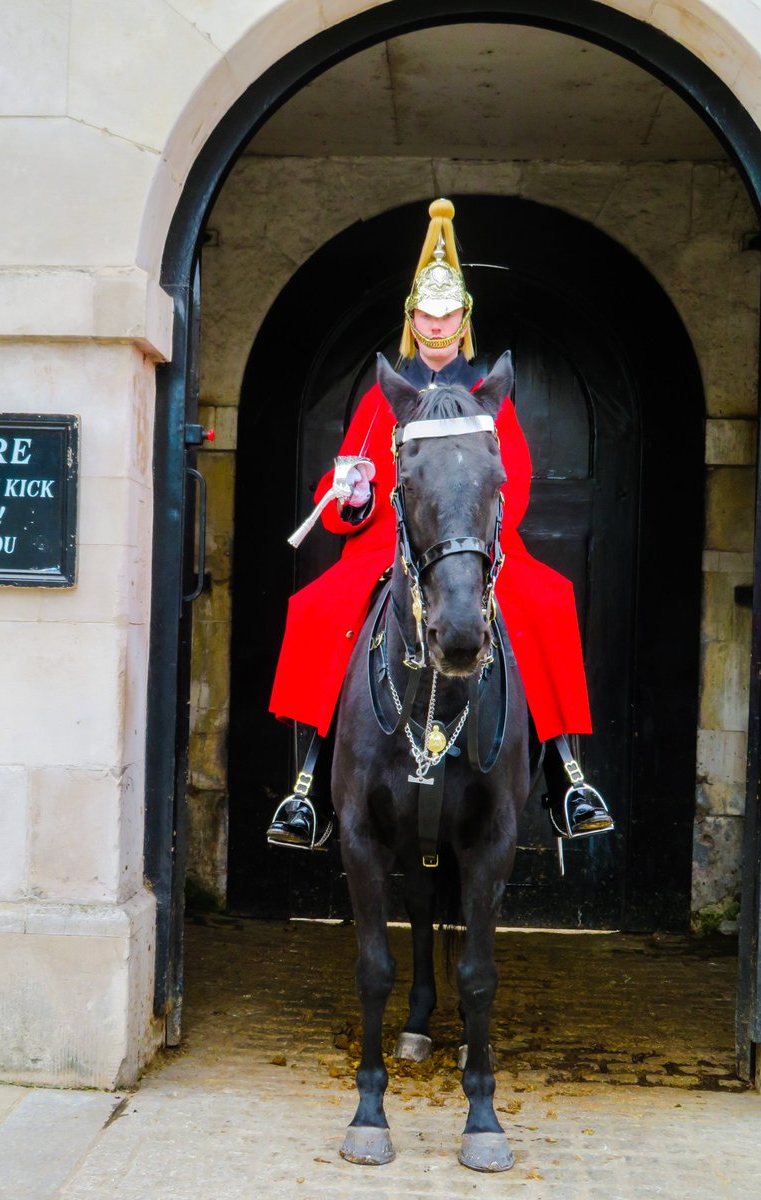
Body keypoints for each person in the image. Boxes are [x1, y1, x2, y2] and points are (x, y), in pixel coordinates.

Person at [266, 198, 613, 850]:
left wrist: (475, 528)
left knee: (548, 602)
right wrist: (354, 491)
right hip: (390, 546)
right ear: (411, 319)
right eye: (425, 314)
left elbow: (518, 480)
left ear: (464, 320)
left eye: (447, 314)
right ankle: (308, 785)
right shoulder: (383, 397)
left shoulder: (487, 396)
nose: (436, 325)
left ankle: (567, 773)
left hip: (479, 543)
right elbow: (344, 492)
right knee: (318, 607)